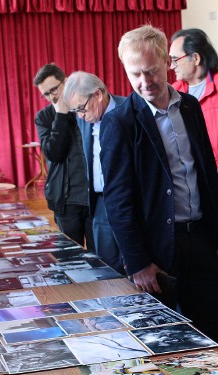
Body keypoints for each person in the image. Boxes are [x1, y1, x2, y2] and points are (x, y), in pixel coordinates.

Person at [99, 24, 218, 346]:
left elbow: (206, 175)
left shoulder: (190, 106)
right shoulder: (119, 122)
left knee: (213, 328)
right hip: (157, 248)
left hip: (200, 238)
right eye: (135, 75)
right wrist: (138, 262)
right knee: (161, 339)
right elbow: (118, 200)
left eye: (152, 72)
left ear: (166, 64)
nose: (145, 83)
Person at [169, 28, 218, 360]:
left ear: (195, 58)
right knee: (201, 269)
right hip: (193, 198)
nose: (172, 66)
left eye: (175, 59)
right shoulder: (176, 92)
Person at [61, 71, 126, 275]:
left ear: (98, 94)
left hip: (129, 202)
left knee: (134, 266)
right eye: (75, 111)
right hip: (100, 202)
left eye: (81, 108)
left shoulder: (129, 111)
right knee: (107, 266)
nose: (80, 115)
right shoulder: (85, 118)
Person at [33, 63, 93, 250]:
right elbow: (54, 154)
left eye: (54, 90)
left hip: (96, 199)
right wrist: (60, 114)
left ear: (66, 81)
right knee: (69, 259)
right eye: (46, 94)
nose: (52, 97)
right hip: (66, 201)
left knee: (102, 258)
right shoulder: (44, 117)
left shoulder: (88, 106)